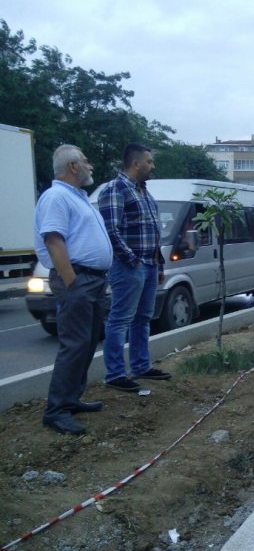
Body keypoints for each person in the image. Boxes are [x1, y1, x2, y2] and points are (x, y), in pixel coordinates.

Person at [34, 144, 113, 434]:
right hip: (78, 280)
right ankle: (55, 411)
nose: (90, 165)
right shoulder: (56, 196)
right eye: (85, 161)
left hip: (92, 280)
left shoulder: (76, 197)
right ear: (72, 167)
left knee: (88, 342)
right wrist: (73, 282)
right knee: (74, 345)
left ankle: (70, 399)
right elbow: (54, 240)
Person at [98, 143, 171, 392]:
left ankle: (141, 366)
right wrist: (133, 261)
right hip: (129, 266)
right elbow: (111, 230)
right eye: (149, 162)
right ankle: (115, 374)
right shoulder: (115, 189)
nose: (153, 166)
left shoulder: (144, 192)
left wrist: (158, 263)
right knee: (120, 319)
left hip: (149, 265)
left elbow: (152, 231)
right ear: (136, 163)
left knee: (143, 318)